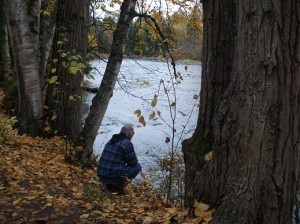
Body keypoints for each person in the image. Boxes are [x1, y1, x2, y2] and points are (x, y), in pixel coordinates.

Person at [97, 124, 142, 194]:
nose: (132, 136)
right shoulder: (127, 143)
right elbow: (133, 163)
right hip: (111, 175)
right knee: (137, 167)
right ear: (129, 133)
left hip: (101, 173)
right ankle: (119, 187)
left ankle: (110, 186)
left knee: (117, 166)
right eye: (133, 133)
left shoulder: (111, 140)